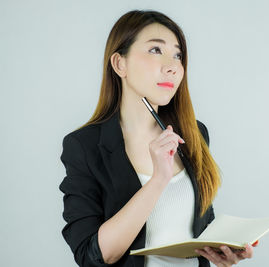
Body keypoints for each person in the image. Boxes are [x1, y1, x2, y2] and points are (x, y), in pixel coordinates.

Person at [59, 9, 256, 267]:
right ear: (120, 64)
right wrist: (158, 180)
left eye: (178, 55)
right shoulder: (83, 146)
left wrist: (222, 251)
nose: (172, 66)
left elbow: (201, 226)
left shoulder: (194, 134)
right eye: (155, 50)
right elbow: (93, 255)